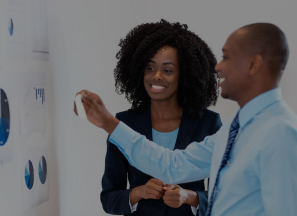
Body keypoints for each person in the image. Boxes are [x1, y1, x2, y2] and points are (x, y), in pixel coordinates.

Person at [74, 23, 297, 216]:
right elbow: (172, 165)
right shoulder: (235, 128)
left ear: (253, 64)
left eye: (226, 57)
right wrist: (108, 123)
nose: (218, 67)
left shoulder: (279, 132)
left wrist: (190, 197)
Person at [97, 20, 221, 216]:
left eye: (168, 70)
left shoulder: (209, 123)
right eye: (149, 68)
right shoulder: (124, 124)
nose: (156, 76)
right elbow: (108, 199)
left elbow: (222, 197)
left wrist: (190, 197)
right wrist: (138, 193)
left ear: (185, 75)